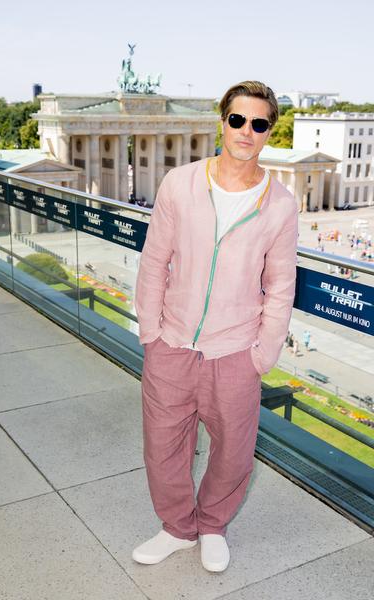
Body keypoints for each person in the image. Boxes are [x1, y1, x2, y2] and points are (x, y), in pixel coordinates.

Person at [134, 81, 298, 572]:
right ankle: (176, 528)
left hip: (236, 352)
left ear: (269, 131)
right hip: (172, 343)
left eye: (259, 123)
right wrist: (151, 332)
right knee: (163, 448)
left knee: (233, 454)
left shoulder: (280, 204)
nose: (247, 131)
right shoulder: (179, 183)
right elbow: (154, 260)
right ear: (222, 122)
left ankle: (212, 526)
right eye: (238, 119)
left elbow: (281, 285)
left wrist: (262, 355)